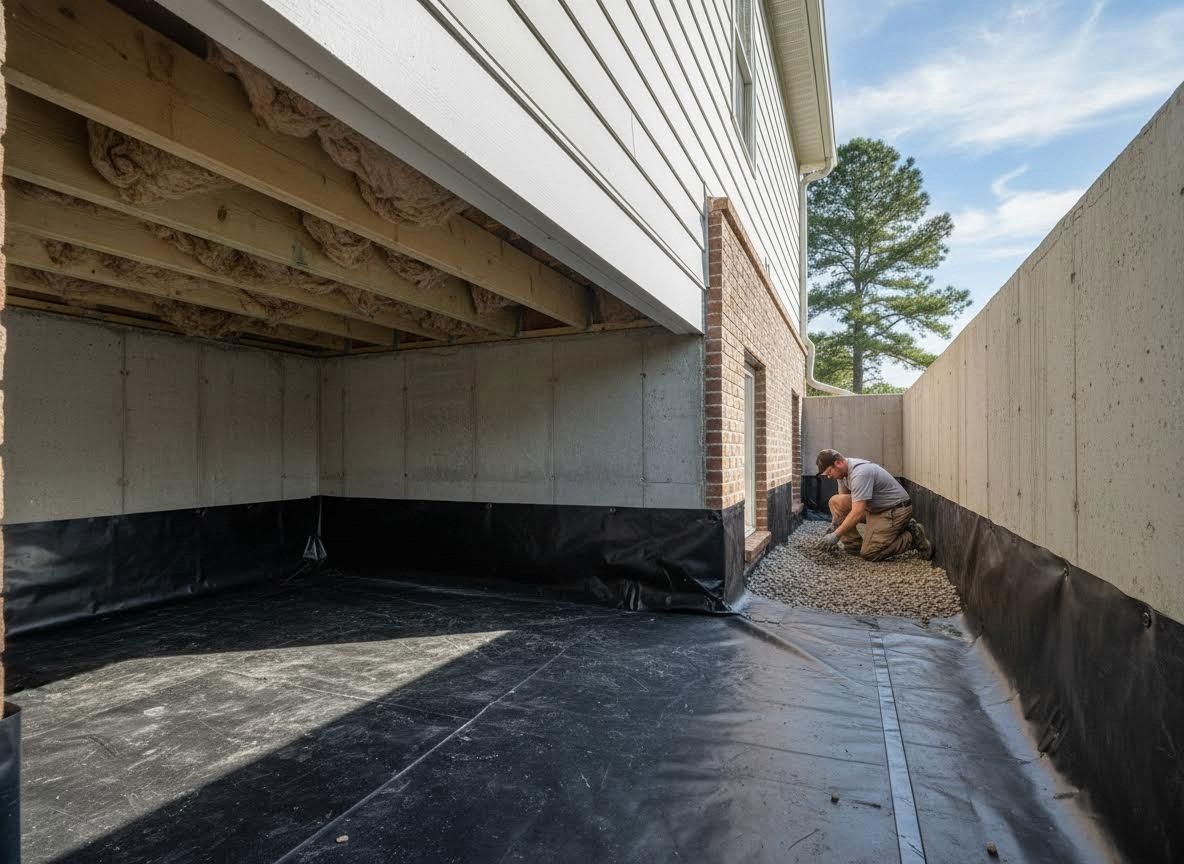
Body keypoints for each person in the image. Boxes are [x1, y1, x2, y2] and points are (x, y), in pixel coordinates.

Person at [815, 448, 933, 561]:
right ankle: (854, 546)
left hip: (894, 510)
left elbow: (857, 512)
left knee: (870, 553)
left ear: (838, 463)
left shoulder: (860, 473)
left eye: (829, 472)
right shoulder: (842, 473)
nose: (829, 476)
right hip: (875, 508)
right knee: (835, 501)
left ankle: (912, 536)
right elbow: (843, 501)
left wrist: (835, 536)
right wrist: (834, 525)